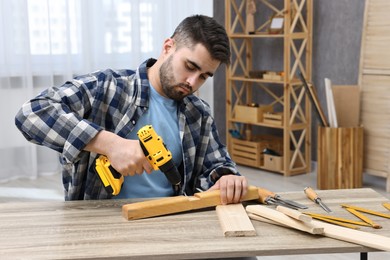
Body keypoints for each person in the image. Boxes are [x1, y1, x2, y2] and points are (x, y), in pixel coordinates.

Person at [15, 14, 249, 203]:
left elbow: (217, 165)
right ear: (168, 47)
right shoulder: (107, 87)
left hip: (168, 218)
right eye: (189, 66)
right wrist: (110, 144)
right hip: (100, 223)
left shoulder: (198, 113)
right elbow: (31, 113)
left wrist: (226, 178)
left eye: (204, 76)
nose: (192, 82)